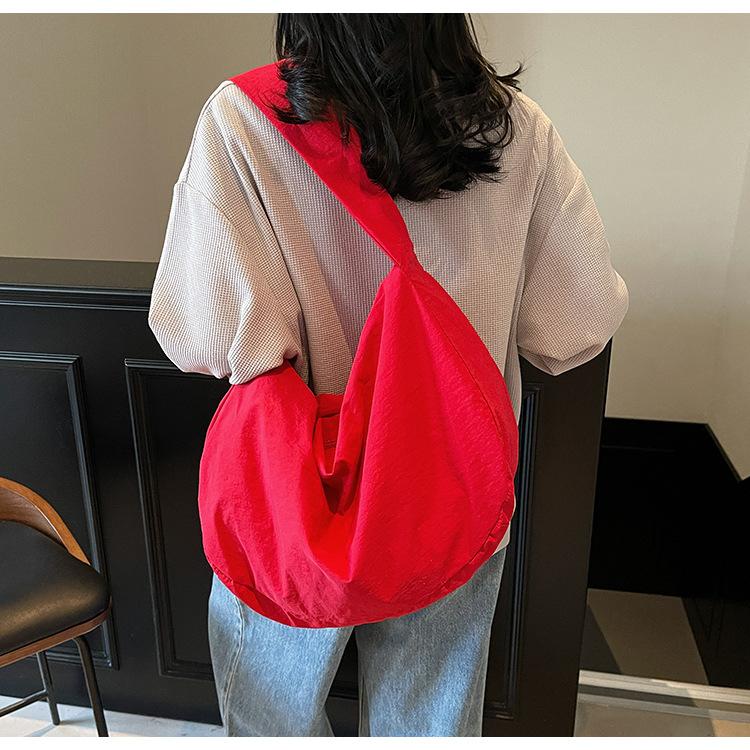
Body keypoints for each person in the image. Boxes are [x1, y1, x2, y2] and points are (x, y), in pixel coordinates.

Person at [148, 13, 629, 737]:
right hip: (450, 486)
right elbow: (572, 327)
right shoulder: (517, 130)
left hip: (297, 497)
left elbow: (205, 336)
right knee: (429, 726)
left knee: (272, 720)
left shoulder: (244, 118)